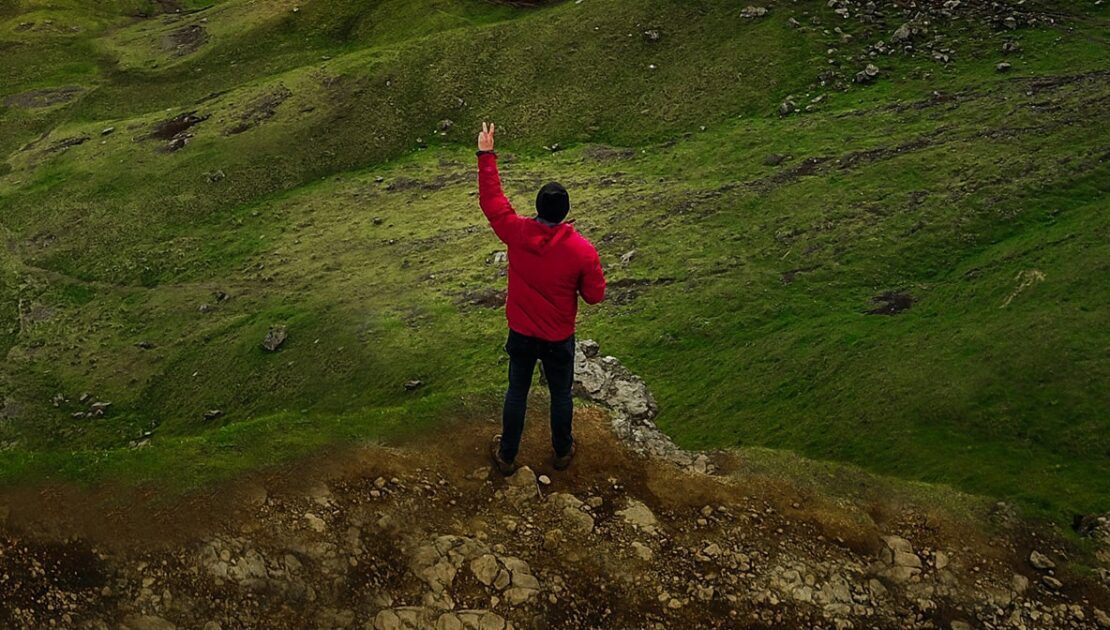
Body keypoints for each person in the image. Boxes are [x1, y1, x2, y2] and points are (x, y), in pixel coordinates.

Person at [476, 122, 606, 475]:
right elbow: (595, 296)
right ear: (565, 212)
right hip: (557, 337)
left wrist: (486, 155)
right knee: (561, 394)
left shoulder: (517, 233)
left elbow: (493, 203)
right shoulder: (582, 251)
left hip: (521, 331)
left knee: (517, 390)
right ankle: (562, 452)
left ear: (537, 207)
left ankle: (506, 456)